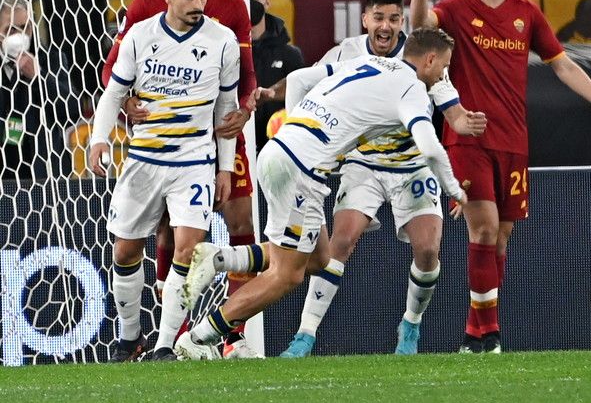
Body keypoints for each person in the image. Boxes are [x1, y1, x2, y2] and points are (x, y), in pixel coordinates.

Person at [175, 28, 469, 358]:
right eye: (444, 66)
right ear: (430, 59)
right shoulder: (412, 88)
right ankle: (199, 338)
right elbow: (430, 149)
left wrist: (294, 128)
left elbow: (299, 79)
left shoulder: (368, 62)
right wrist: (454, 189)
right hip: (302, 171)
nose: (444, 75)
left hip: (279, 152)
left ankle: (220, 258)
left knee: (319, 258)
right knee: (287, 274)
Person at [410, 0, 591, 353]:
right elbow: (420, 26)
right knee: (484, 228)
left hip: (514, 142)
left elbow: (564, 65)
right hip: (469, 137)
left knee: (501, 236)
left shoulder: (526, 13)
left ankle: (474, 334)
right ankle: (491, 335)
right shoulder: (456, 9)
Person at [277, 0, 486, 357]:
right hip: (364, 163)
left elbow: (451, 112)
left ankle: (411, 324)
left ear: (402, 22)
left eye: (393, 19)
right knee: (341, 242)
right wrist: (298, 129)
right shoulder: (348, 54)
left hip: (412, 166)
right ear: (365, 20)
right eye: (379, 18)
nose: (386, 26)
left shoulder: (424, 59)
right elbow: (303, 81)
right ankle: (305, 335)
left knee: (428, 250)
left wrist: (463, 122)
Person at [101, 0, 265, 360]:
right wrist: (123, 107)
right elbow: (113, 76)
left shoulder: (230, 9)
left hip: (211, 137)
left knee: (237, 222)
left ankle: (226, 333)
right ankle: (149, 334)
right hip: (153, 146)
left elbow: (245, 76)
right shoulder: (144, 11)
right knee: (152, 238)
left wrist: (245, 109)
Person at [1, 0, 78, 181]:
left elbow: (71, 111)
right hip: (4, 173)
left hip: (45, 174)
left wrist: (39, 77)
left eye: (25, 27)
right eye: (10, 30)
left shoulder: (51, 59)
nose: (19, 36)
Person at [248, 0, 305, 153]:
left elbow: (302, 102)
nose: (251, 4)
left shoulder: (290, 54)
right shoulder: (226, 51)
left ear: (267, 2)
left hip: (278, 150)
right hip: (236, 151)